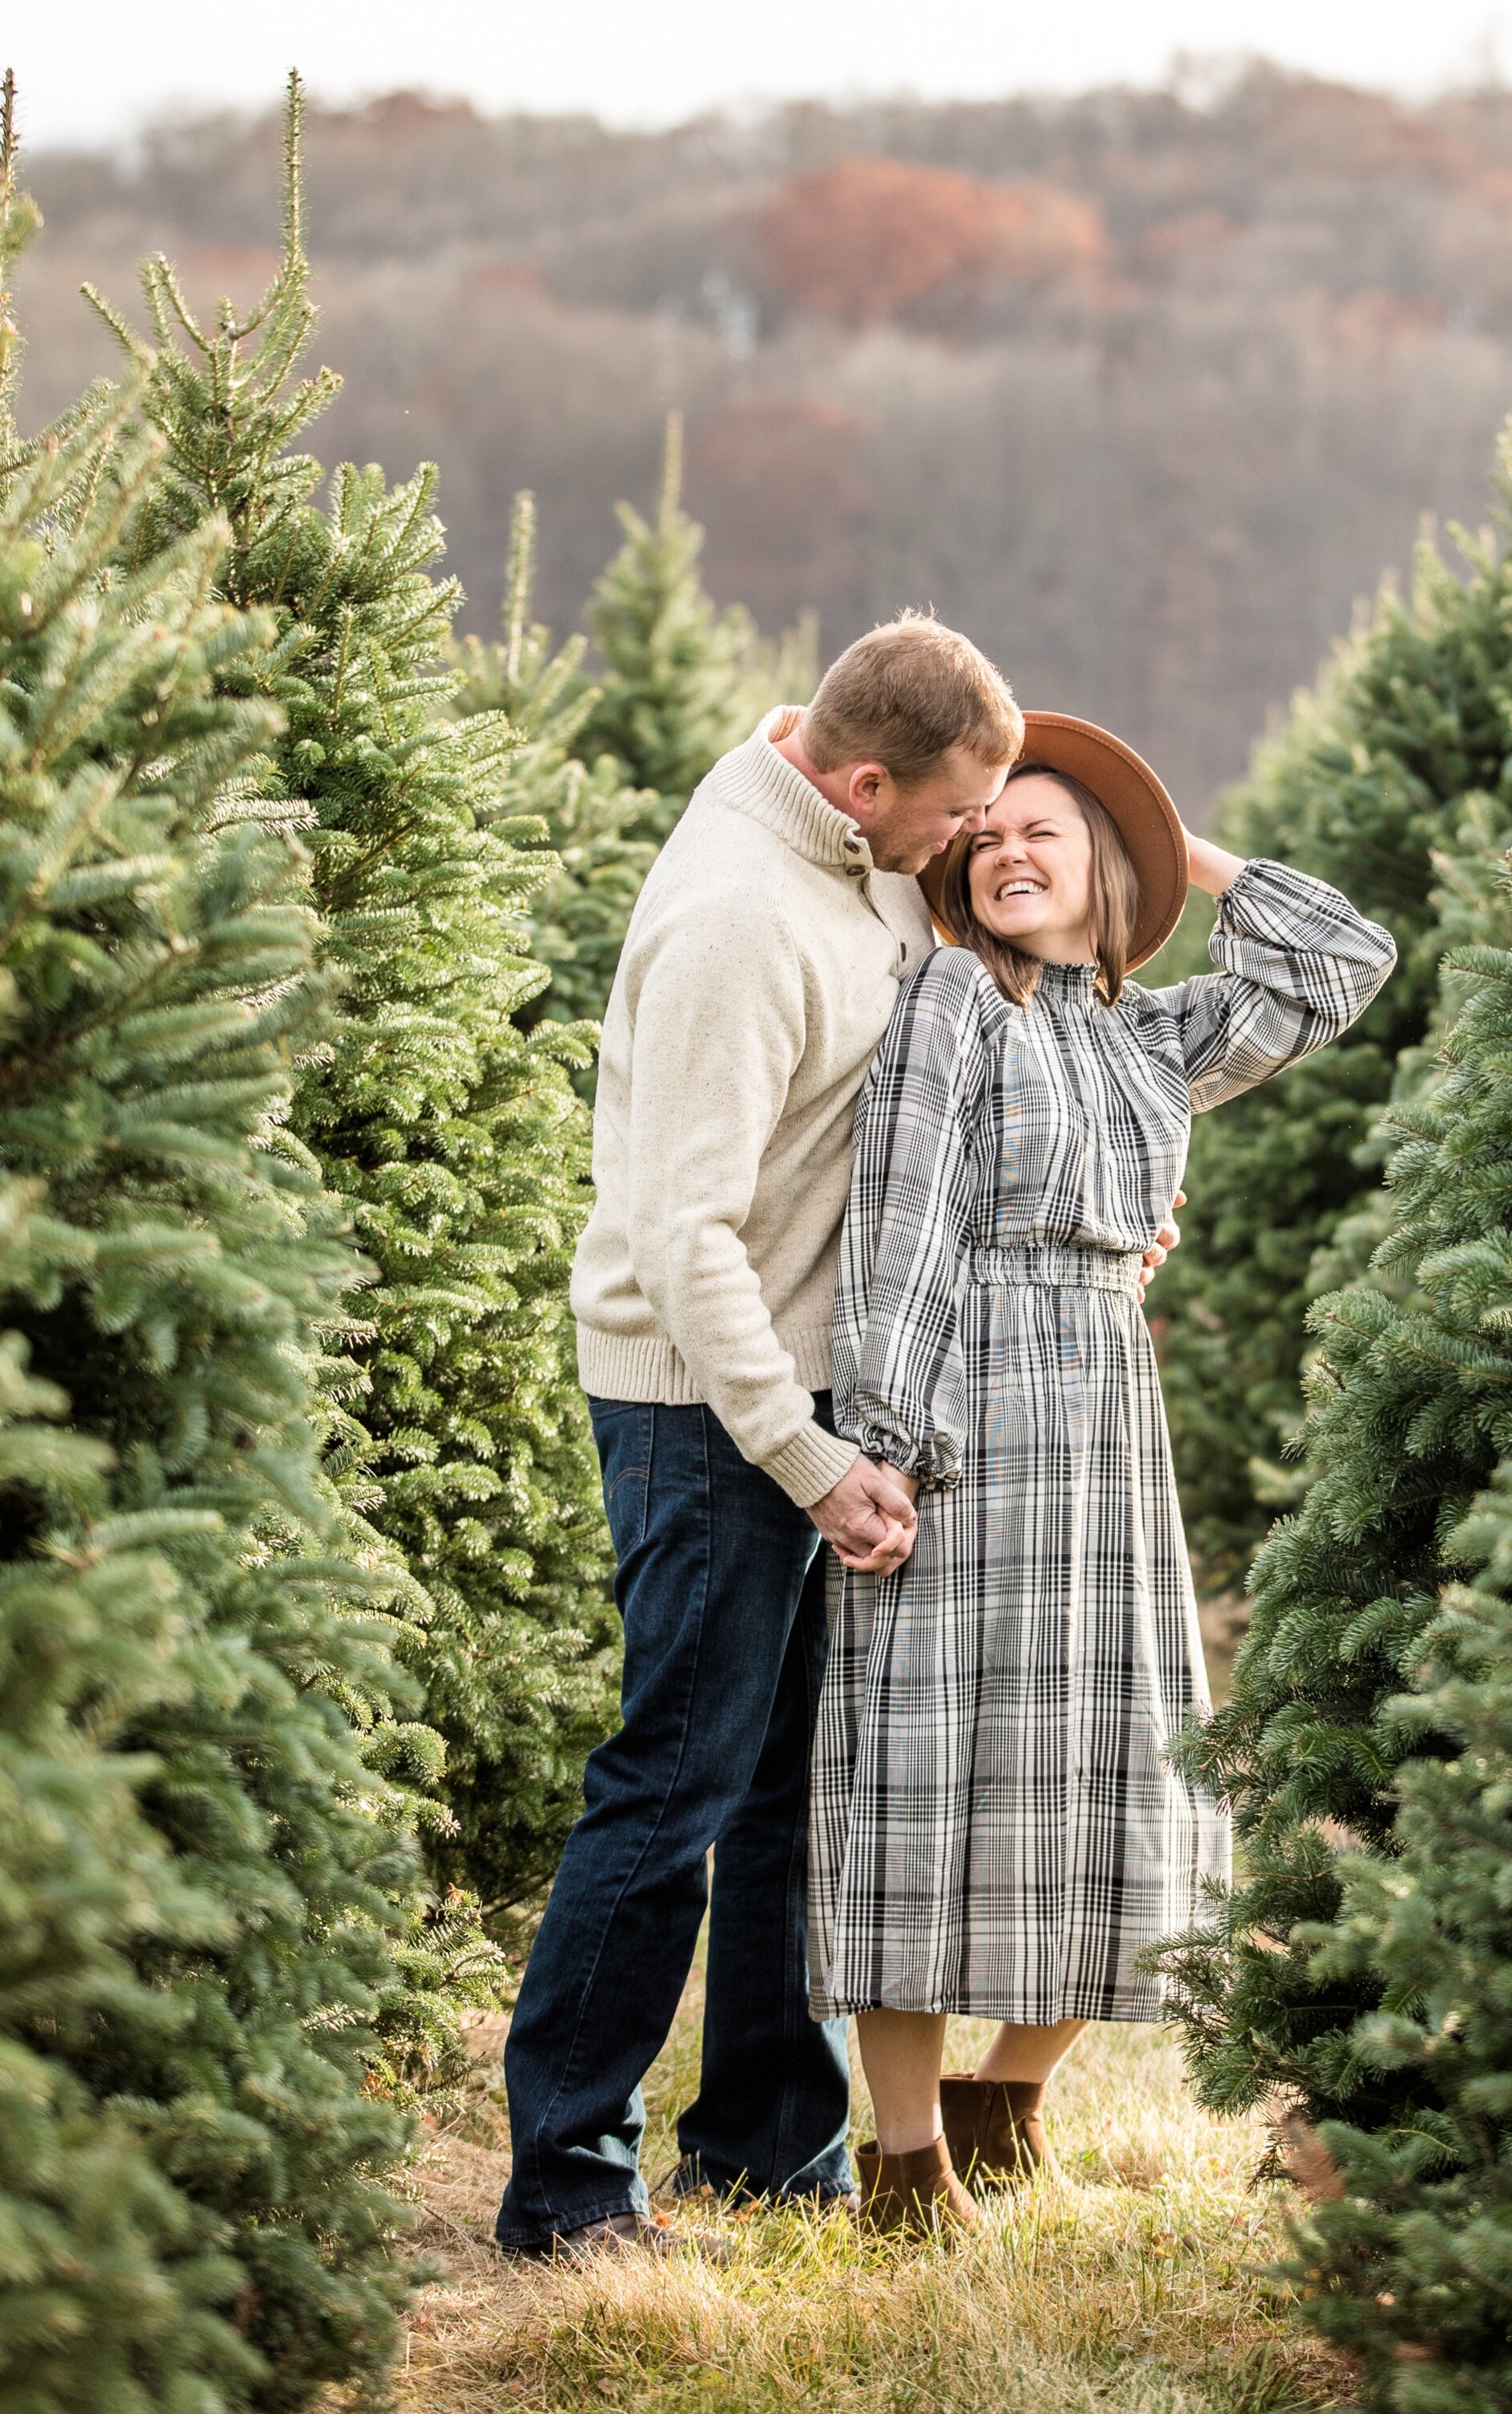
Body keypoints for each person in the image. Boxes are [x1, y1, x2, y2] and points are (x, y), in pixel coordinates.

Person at [809, 715, 1397, 2233]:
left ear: (1103, 878)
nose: (1007, 849)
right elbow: (904, 1225)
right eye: (988, 832)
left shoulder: (1146, 1036)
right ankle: (907, 2153)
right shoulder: (949, 999)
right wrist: (886, 1444)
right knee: (932, 1759)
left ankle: (1015, 2088)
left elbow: (1341, 961)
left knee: (1121, 1758)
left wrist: (1169, 844)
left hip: (1108, 1424)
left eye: (1044, 834)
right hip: (970, 1403)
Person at [494, 616, 1025, 2260]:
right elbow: (682, 1234)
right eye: (949, 812)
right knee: (672, 1788)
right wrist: (801, 1454)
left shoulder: (849, 847)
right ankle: (567, 2188)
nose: (965, 842)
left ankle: (764, 2146)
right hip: (704, 1406)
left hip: (799, 1395)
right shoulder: (738, 918)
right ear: (864, 782)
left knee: (793, 1792)